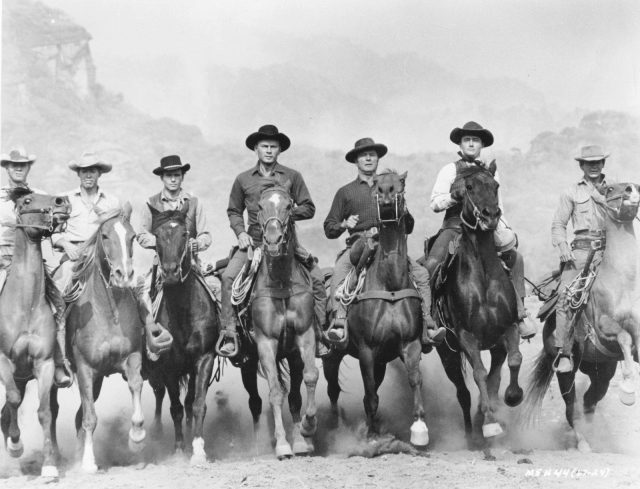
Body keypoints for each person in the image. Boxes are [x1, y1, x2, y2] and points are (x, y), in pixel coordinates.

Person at [323, 138, 446, 348]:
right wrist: (344, 223)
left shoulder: (391, 186)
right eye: (364, 155)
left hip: (389, 247)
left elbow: (409, 227)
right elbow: (329, 228)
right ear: (356, 161)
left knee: (422, 275)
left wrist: (403, 210)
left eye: (372, 154)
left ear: (378, 159)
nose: (369, 158)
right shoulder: (346, 192)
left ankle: (428, 324)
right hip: (357, 245)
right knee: (339, 273)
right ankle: (339, 323)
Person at [217, 124, 327, 358]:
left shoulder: (292, 176)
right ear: (256, 148)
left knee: (317, 277)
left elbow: (308, 207)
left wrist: (281, 215)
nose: (268, 150)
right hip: (254, 243)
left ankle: (319, 333)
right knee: (227, 278)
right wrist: (240, 233)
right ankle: (230, 333)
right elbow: (234, 210)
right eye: (264, 146)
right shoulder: (243, 179)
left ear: (279, 150)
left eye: (273, 147)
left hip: (286, 244)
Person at [426, 121, 536, 339]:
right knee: (431, 265)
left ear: (481, 145)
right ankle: (429, 322)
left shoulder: (490, 172)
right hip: (455, 228)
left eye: (475, 140)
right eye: (467, 139)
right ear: (460, 143)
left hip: (484, 229)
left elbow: (498, 206)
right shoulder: (450, 169)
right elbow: (434, 203)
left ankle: (520, 315)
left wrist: (506, 229)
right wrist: (453, 197)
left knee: (516, 258)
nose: (471, 143)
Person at [53, 151, 168, 358]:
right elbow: (54, 232)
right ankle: (56, 347)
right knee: (56, 290)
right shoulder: (66, 200)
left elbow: (120, 231)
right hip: (75, 257)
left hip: (106, 257)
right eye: (84, 171)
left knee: (137, 285)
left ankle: (150, 334)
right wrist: (64, 243)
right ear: (78, 174)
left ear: (99, 174)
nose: (88, 175)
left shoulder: (112, 201)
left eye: (93, 171)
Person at [0, 147, 71, 387]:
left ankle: (59, 361)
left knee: (59, 302)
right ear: (7, 168)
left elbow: (53, 227)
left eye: (23, 164)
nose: (18, 168)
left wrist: (63, 242)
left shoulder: (40, 196)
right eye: (13, 164)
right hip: (2, 257)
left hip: (32, 261)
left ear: (29, 167)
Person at [551, 145, 610, 373]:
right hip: (582, 251)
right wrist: (563, 246)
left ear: (603, 164)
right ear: (581, 166)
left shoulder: (614, 189)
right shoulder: (571, 192)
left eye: (598, 162)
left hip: (611, 249)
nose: (594, 166)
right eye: (589, 162)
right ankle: (564, 352)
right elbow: (558, 224)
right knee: (565, 295)